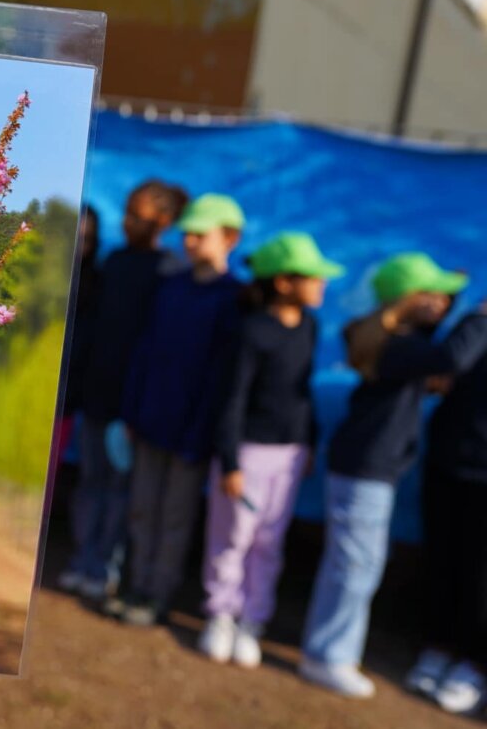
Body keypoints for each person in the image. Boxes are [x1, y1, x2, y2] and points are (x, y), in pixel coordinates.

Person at [299, 253, 487, 699]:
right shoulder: (400, 347)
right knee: (356, 566)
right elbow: (452, 357)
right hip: (368, 468)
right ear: (409, 299)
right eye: (434, 295)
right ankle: (330, 655)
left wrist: (453, 288)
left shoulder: (397, 338)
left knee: (353, 563)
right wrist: (480, 315)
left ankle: (328, 650)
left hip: (369, 466)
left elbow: (441, 344)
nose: (443, 303)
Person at [197, 233, 343, 668]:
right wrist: (231, 461)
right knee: (232, 538)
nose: (322, 284)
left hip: (290, 454)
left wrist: (309, 442)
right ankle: (220, 615)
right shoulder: (252, 330)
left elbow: (302, 392)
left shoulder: (311, 327)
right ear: (283, 282)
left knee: (269, 542)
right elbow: (233, 398)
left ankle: (251, 621)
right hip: (247, 454)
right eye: (313, 276)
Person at [111, 193, 245, 626]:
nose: (188, 242)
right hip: (149, 422)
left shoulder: (234, 299)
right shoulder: (170, 288)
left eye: (199, 235)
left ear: (229, 239)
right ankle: (135, 586)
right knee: (143, 508)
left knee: (174, 518)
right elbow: (144, 352)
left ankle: (157, 595)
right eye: (186, 233)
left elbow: (224, 379)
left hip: (191, 433)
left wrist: (200, 433)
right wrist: (132, 411)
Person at [58, 181, 187, 601]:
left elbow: (157, 347)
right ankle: (81, 560)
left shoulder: (167, 272)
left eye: (139, 216)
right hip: (96, 397)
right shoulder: (114, 262)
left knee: (119, 491)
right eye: (128, 214)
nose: (128, 222)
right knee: (91, 482)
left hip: (130, 408)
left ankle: (103, 569)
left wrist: (136, 405)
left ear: (164, 221)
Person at [403, 298, 487, 714]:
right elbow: (446, 365)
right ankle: (437, 644)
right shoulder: (479, 318)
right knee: (442, 558)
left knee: (480, 574)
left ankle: (474, 663)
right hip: (450, 457)